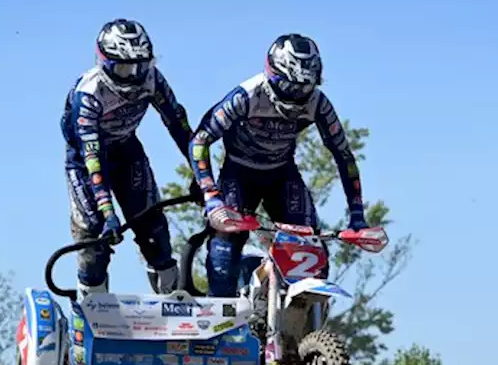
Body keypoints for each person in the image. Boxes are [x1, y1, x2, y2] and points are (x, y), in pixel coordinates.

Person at [188, 33, 371, 299]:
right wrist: (211, 196)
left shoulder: (318, 102)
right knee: (225, 241)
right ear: (272, 74)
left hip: (282, 175)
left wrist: (357, 215)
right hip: (239, 174)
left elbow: (343, 155)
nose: (298, 96)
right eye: (290, 87)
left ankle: (305, 328)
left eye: (305, 88)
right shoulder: (246, 95)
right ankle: (222, 312)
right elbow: (200, 139)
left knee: (310, 247)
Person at [62, 18, 198, 300]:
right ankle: (93, 301)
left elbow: (178, 125)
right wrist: (108, 212)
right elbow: (92, 159)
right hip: (86, 161)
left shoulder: (153, 78)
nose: (133, 74)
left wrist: (203, 178)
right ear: (105, 62)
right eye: (124, 67)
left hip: (126, 151)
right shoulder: (87, 95)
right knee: (93, 234)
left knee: (153, 229)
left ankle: (172, 299)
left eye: (139, 65)